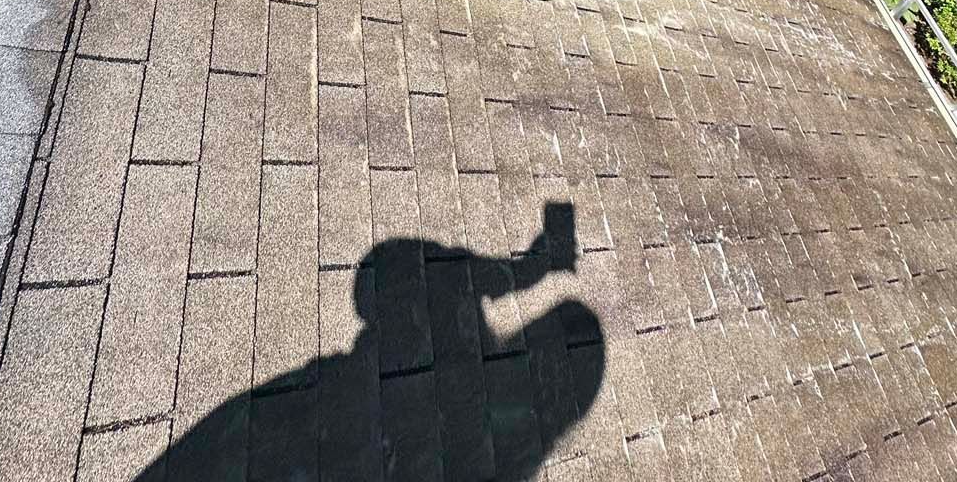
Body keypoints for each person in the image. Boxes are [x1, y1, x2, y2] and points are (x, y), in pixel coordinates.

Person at [135, 201, 605, 481]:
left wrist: (537, 263)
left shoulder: (449, 310)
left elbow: (489, 276)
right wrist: (539, 262)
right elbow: (498, 277)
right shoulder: (496, 444)